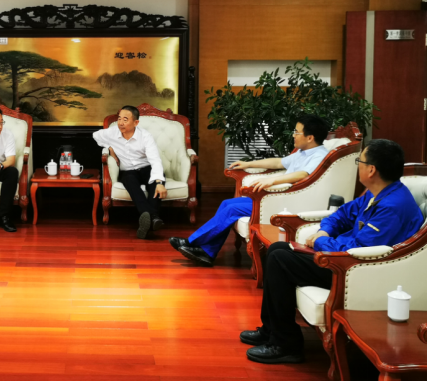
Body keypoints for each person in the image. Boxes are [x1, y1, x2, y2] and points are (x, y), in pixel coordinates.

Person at [240, 139, 423, 364]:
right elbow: (343, 214)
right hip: (342, 258)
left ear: (371, 170)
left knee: (279, 258)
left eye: (360, 161)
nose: (358, 166)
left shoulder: (392, 207)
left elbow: (359, 252)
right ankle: (271, 331)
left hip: (356, 271)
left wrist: (321, 242)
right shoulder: (377, 193)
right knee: (277, 249)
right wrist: (324, 231)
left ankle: (286, 345)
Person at [171, 114, 331, 266]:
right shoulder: (303, 152)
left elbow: (304, 174)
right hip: (278, 198)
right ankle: (208, 252)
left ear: (310, 137)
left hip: (287, 204)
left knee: (232, 209)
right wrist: (248, 164)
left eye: (297, 132)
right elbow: (278, 163)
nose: (293, 135)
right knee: (228, 203)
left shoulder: (319, 155)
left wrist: (272, 180)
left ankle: (192, 242)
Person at [93, 105, 167, 240]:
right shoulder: (113, 132)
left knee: (155, 186)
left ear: (136, 122)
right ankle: (154, 218)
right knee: (129, 180)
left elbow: (155, 159)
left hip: (147, 168)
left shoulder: (145, 136)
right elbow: (96, 135)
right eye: (119, 118)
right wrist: (109, 147)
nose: (120, 123)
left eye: (125, 119)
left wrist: (159, 183)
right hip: (128, 171)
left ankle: (148, 220)